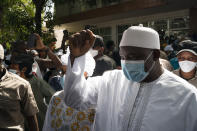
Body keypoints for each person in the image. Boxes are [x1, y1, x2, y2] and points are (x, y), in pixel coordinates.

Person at [64, 26, 197, 131]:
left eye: (133, 57)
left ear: (155, 54)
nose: (126, 62)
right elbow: (74, 100)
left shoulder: (186, 96)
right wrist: (77, 58)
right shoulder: (110, 81)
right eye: (123, 57)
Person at [43, 52, 96, 131]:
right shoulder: (57, 98)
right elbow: (48, 125)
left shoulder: (94, 100)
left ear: (85, 73)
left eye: (71, 73)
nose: (66, 76)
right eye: (64, 72)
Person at [0, 44, 39, 131]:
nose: (11, 67)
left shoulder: (21, 85)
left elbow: (31, 118)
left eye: (15, 65)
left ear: (1, 60)